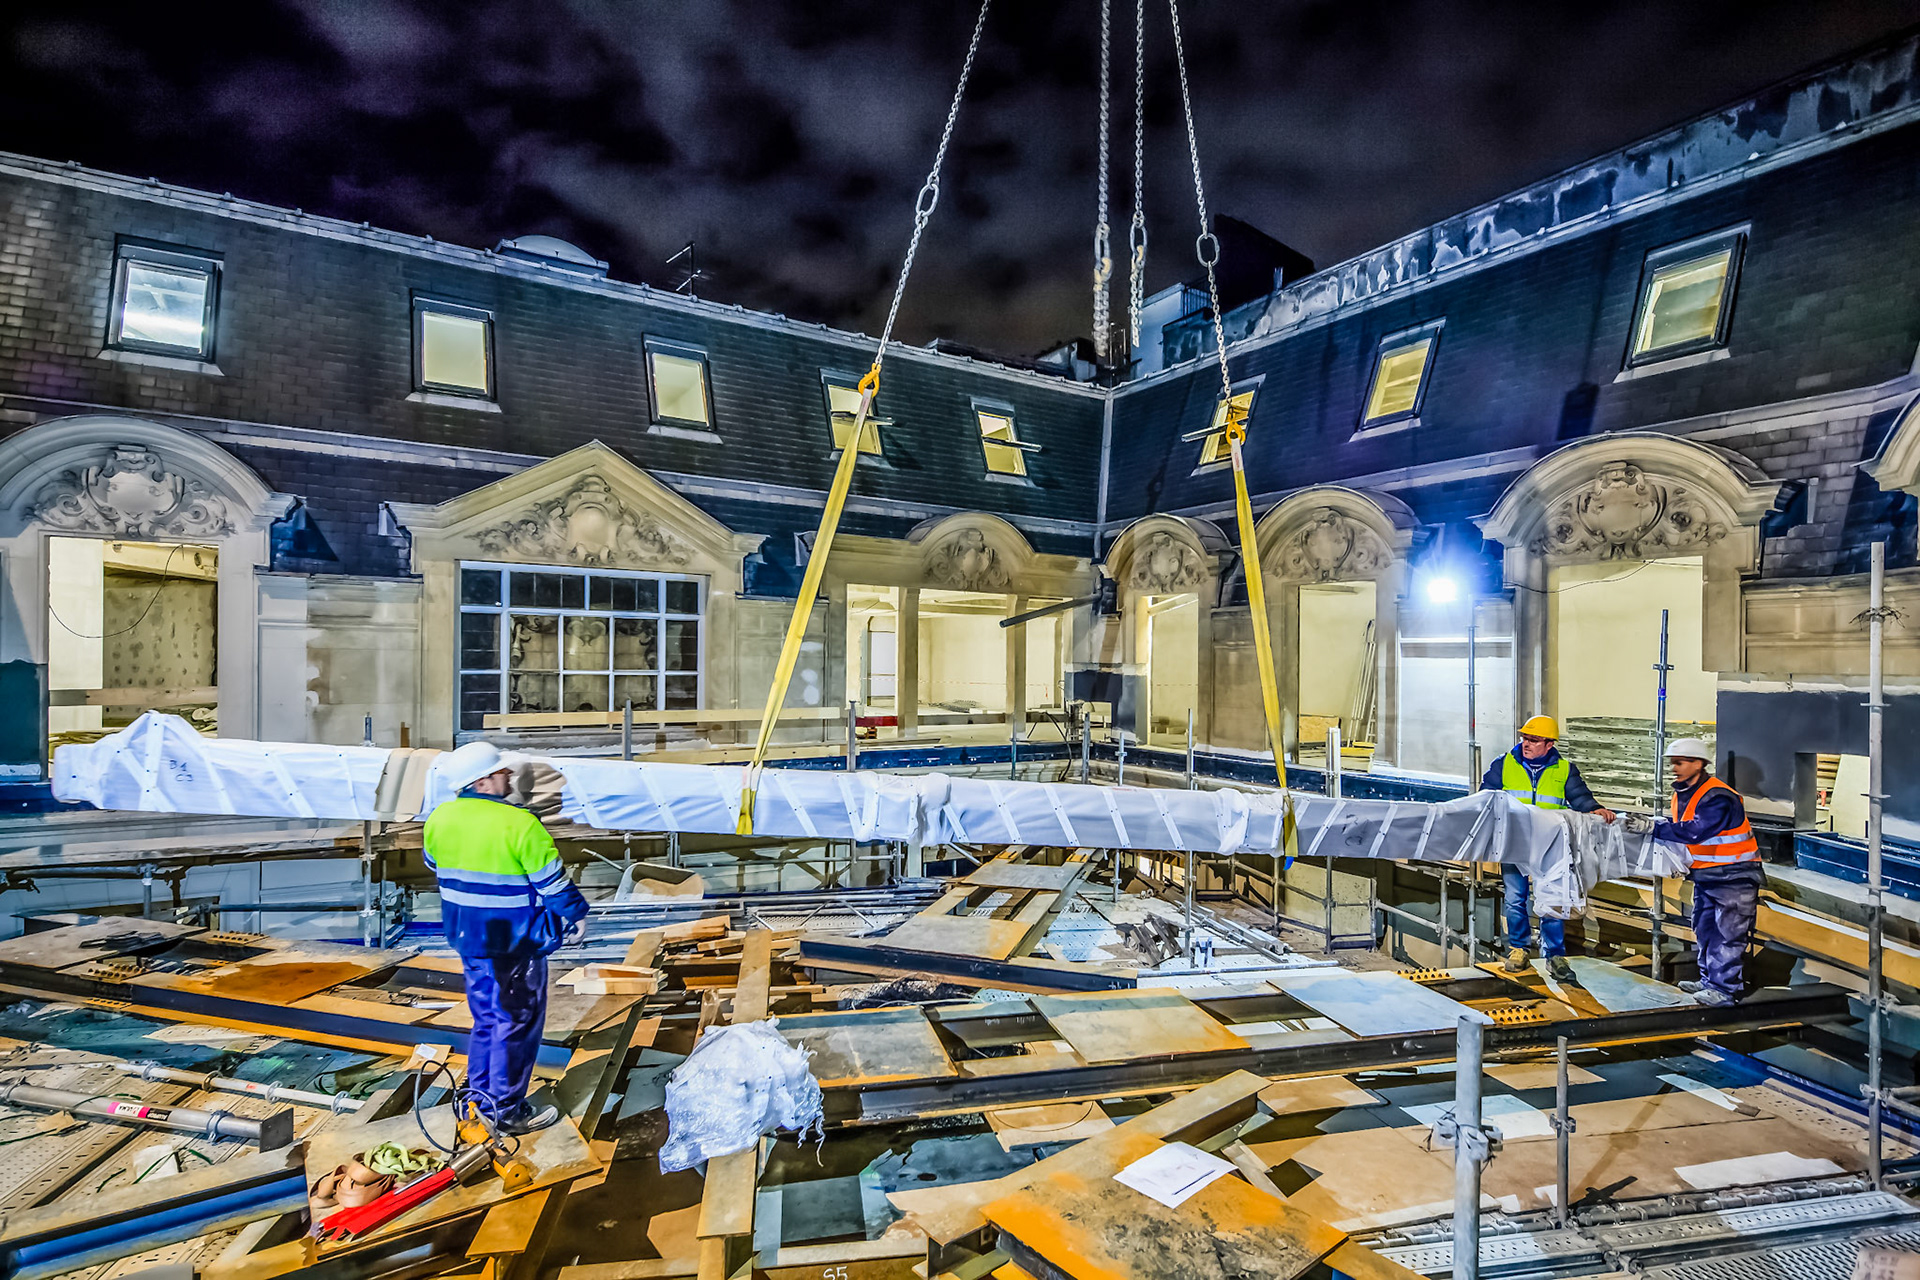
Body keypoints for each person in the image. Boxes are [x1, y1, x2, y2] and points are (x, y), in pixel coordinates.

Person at [424, 740, 589, 1134]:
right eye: (502, 772)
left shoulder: (439, 819)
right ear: (482, 782)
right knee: (515, 1022)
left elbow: (435, 864)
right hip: (516, 943)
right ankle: (506, 1110)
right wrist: (577, 914)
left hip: (469, 938)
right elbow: (552, 885)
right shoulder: (520, 824)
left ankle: (479, 1100)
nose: (509, 776)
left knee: (486, 1020)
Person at [1480, 715, 1616, 982]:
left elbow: (1579, 797)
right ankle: (1518, 949)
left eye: (1533, 740)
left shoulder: (1564, 770)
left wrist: (1595, 810)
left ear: (1549, 744)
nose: (1527, 743)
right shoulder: (1504, 764)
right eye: (1525, 738)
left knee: (1552, 901)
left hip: (1550, 846)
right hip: (1514, 844)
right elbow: (1486, 797)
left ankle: (1554, 954)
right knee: (1515, 900)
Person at [1652, 738, 1760, 1007]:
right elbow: (1683, 825)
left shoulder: (1718, 796)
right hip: (1708, 876)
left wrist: (1650, 828)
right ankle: (1710, 981)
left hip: (1734, 877)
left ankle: (1724, 989)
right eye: (1673, 763)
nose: (1675, 768)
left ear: (1699, 763)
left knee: (1727, 934)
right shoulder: (1682, 794)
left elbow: (1695, 830)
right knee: (1705, 929)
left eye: (1681, 762)